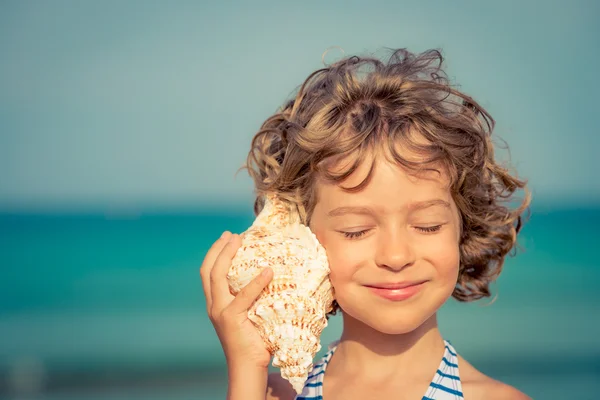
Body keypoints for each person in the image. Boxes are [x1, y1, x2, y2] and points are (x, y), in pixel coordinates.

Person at [200, 48, 531, 400]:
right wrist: (248, 366)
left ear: (464, 225)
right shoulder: (267, 393)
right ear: (303, 239)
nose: (395, 255)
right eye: (356, 230)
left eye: (428, 225)